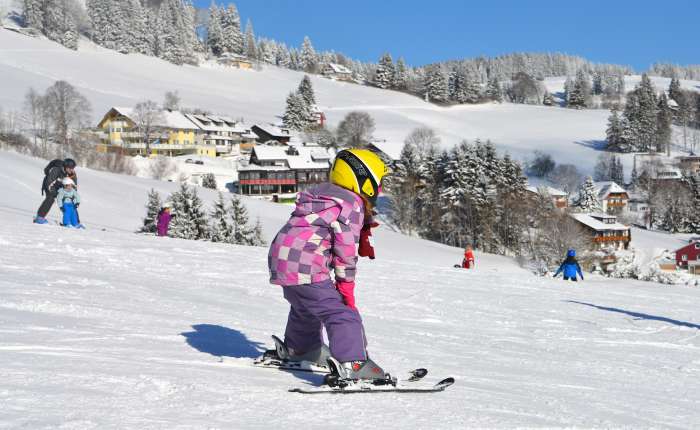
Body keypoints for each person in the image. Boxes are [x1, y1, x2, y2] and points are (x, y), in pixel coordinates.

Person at [267, 148, 389, 382]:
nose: (380, 189)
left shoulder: (321, 196)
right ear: (365, 180)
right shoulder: (350, 203)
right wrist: (346, 284)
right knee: (342, 315)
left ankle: (303, 349)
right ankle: (354, 364)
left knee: (306, 306)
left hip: (281, 259)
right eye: (379, 182)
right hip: (306, 263)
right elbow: (345, 248)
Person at [34, 158, 78, 224]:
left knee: (70, 202)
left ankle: (75, 222)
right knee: (50, 198)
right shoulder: (56, 170)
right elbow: (49, 183)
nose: (71, 170)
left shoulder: (72, 174)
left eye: (72, 168)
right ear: (65, 167)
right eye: (69, 168)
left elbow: (74, 187)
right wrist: (55, 193)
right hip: (50, 186)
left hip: (62, 188)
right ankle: (39, 217)